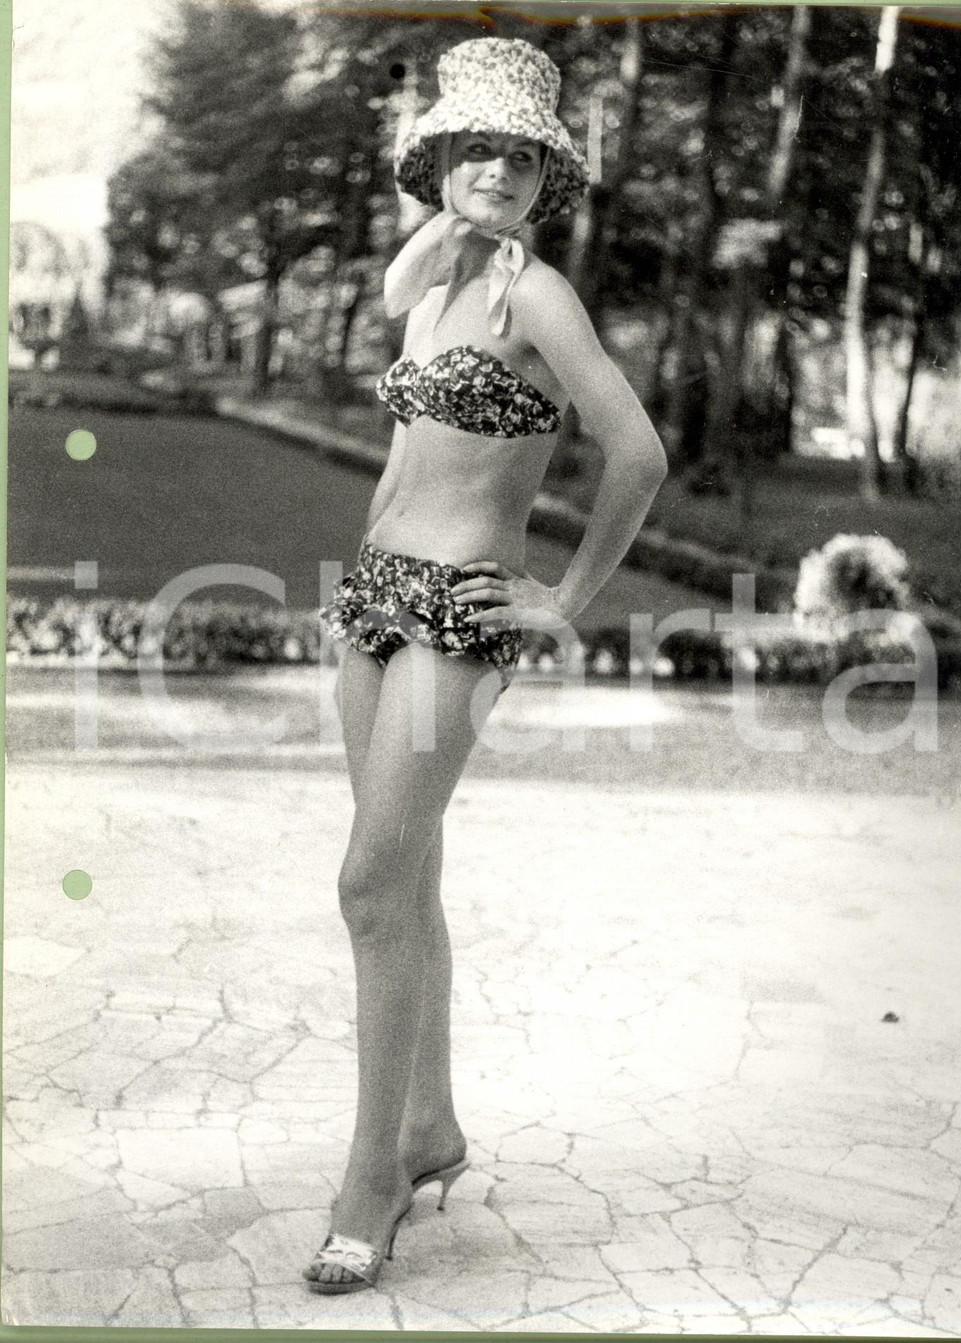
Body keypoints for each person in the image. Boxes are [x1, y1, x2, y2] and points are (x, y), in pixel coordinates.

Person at [304, 35, 668, 1294]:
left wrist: (561, 596)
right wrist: (437, 230)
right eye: (480, 145)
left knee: (367, 884)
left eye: (523, 152)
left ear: (544, 174)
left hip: (458, 615)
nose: (501, 166)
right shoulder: (444, 284)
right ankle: (430, 1127)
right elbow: (403, 280)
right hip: (372, 600)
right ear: (445, 158)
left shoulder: (535, 298)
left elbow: (635, 452)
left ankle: (372, 1177)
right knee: (407, 888)